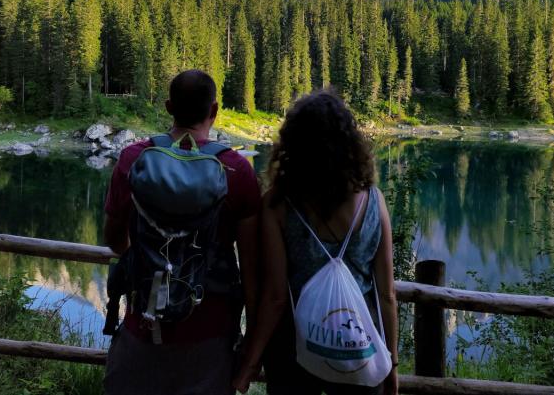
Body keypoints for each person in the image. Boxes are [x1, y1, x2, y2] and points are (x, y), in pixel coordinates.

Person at [103, 69, 261, 395]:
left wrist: (153, 254)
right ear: (214, 110)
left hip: (144, 328)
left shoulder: (134, 159)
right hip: (210, 338)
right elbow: (251, 269)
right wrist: (251, 351)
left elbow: (115, 241)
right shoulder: (237, 171)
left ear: (168, 107)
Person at [233, 90, 399, 395]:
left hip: (294, 348)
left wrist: (250, 363)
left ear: (293, 144)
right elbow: (386, 294)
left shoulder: (278, 205)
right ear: (349, 142)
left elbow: (275, 297)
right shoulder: (374, 201)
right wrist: (392, 364)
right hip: (357, 345)